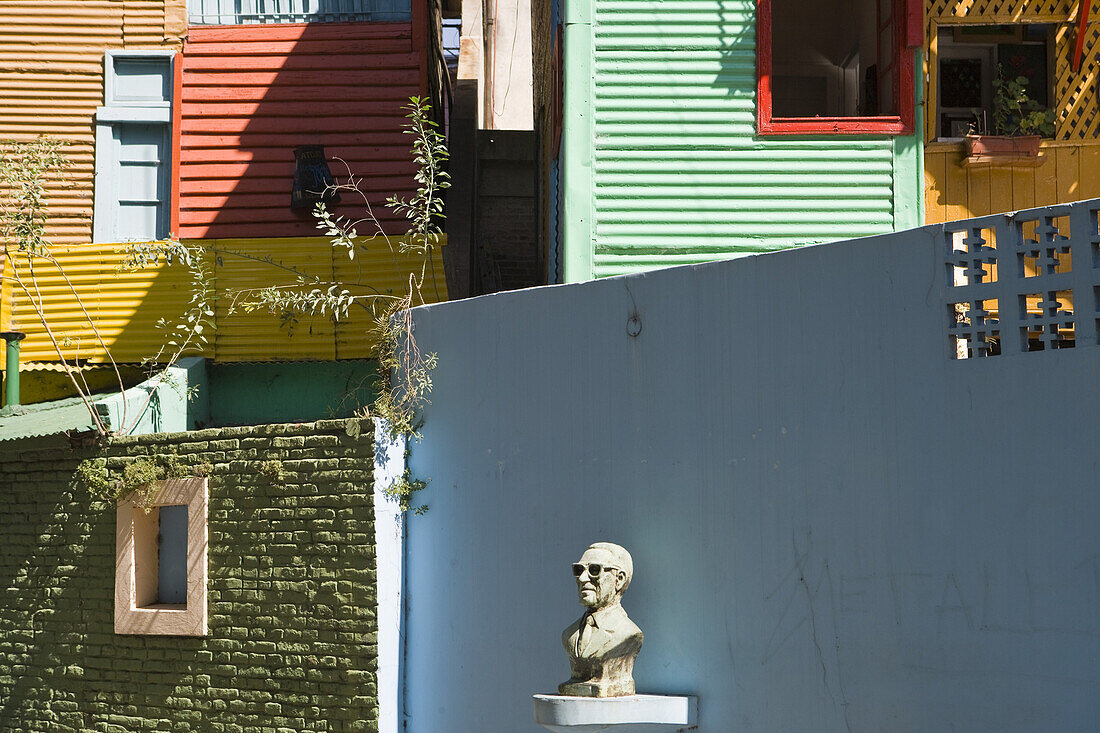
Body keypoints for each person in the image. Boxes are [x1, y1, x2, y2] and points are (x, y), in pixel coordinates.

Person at [559, 542, 643, 697]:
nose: (583, 578)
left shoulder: (629, 634)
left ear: (619, 579)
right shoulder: (569, 635)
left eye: (594, 570)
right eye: (579, 570)